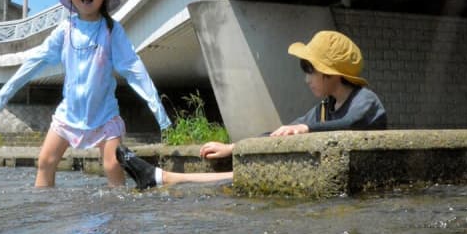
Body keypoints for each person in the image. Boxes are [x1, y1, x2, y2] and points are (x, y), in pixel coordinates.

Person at [117, 30, 386, 189]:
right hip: (320, 176)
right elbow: (279, 134)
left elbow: (354, 124)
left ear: (331, 73)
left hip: (358, 182)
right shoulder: (324, 109)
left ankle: (162, 178)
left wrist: (306, 128)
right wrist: (233, 147)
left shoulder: (366, 100)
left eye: (309, 69)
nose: (306, 78)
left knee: (249, 176)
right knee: (250, 171)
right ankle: (160, 177)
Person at [0, 0, 171, 188]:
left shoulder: (111, 30)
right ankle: (44, 209)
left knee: (112, 164)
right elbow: (36, 60)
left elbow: (134, 68)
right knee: (46, 161)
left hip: (104, 116)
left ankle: (119, 212)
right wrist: (6, 92)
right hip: (68, 116)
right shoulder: (65, 30)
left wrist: (158, 110)